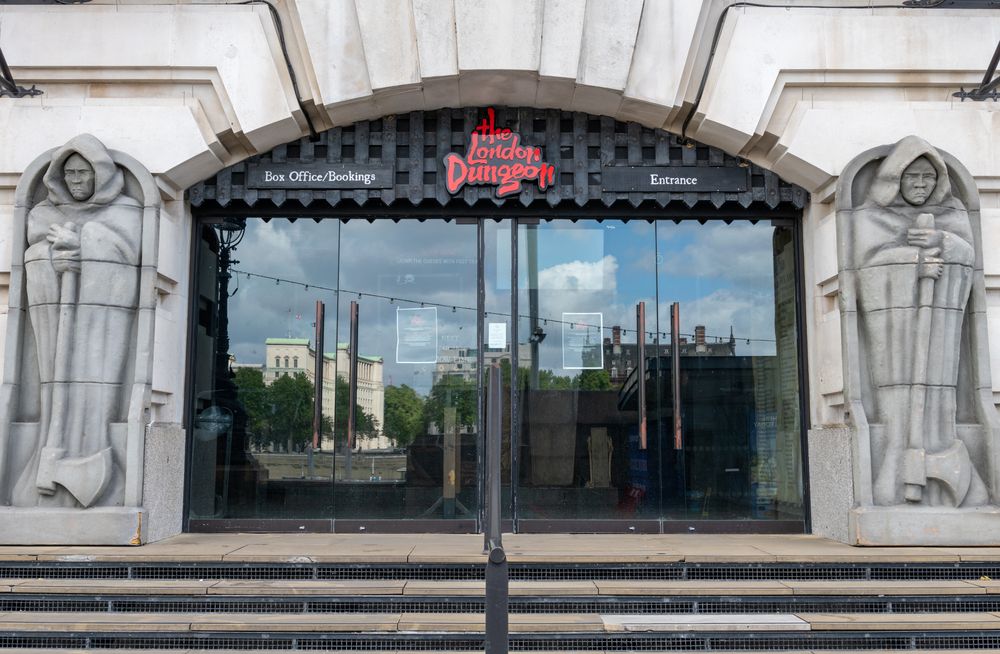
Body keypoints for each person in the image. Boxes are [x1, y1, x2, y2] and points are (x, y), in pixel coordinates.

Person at [854, 135, 988, 507]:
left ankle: (940, 474)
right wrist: (911, 263)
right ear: (895, 178)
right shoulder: (869, 216)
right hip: (895, 340)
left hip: (940, 335)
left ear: (939, 180)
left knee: (939, 395)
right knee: (898, 402)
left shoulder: (953, 215)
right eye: (911, 177)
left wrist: (944, 243)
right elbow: (863, 271)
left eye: (927, 178)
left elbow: (969, 261)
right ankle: (899, 468)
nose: (919, 185)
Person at [11, 134, 143, 507]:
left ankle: (87, 452)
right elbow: (35, 244)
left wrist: (87, 245)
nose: (76, 181)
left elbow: (127, 260)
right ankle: (49, 461)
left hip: (98, 331)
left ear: (100, 174)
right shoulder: (42, 215)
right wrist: (55, 258)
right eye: (69, 174)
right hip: (57, 323)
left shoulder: (127, 213)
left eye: (83, 173)